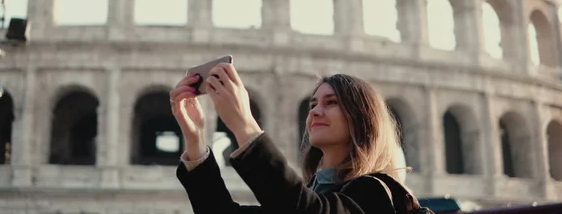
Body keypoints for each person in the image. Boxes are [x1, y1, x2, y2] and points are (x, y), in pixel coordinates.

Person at [169, 62, 426, 214]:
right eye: (313, 103)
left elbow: (304, 210)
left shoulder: (376, 194)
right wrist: (195, 139)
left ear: (363, 118)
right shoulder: (315, 191)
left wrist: (243, 124)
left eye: (331, 102)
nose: (314, 110)